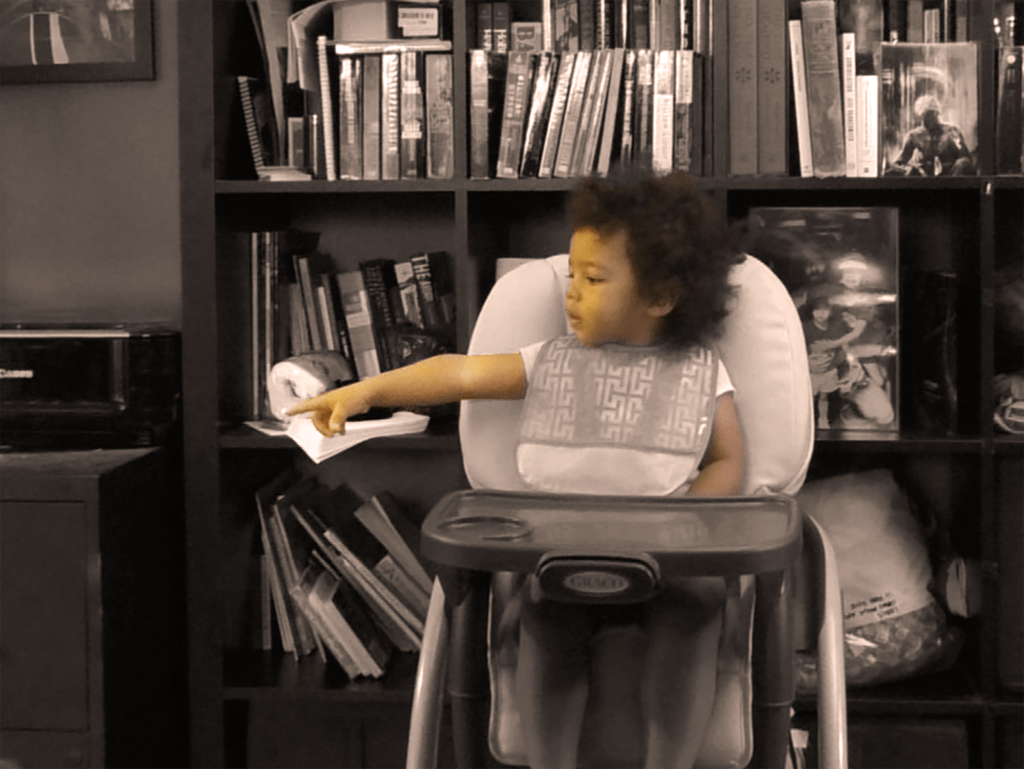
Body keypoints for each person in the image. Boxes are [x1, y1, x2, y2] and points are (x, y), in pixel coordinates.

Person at [288, 169, 746, 769]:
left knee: (697, 610)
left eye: (595, 278)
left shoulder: (700, 374)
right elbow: (460, 373)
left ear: (660, 296)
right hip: (559, 558)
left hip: (667, 558)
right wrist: (366, 391)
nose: (572, 293)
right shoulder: (551, 361)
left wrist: (688, 519)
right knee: (544, 617)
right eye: (571, 275)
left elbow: (728, 459)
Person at [885, 94, 976, 177]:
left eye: (928, 115)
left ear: (936, 114)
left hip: (951, 177)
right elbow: (900, 162)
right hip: (925, 179)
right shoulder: (914, 136)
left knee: (963, 162)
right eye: (922, 116)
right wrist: (910, 168)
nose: (924, 121)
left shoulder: (951, 131)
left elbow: (966, 159)